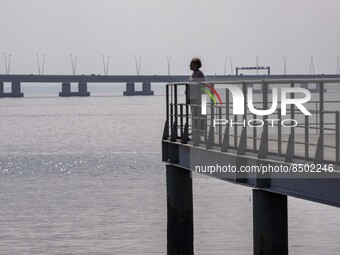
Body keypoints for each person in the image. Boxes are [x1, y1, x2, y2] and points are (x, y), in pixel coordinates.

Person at [187, 58, 205, 145]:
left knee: (199, 114)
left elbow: (201, 87)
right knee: (194, 114)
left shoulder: (199, 74)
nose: (189, 65)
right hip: (192, 97)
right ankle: (194, 130)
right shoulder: (193, 74)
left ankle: (200, 131)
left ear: (196, 65)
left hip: (198, 97)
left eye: (191, 64)